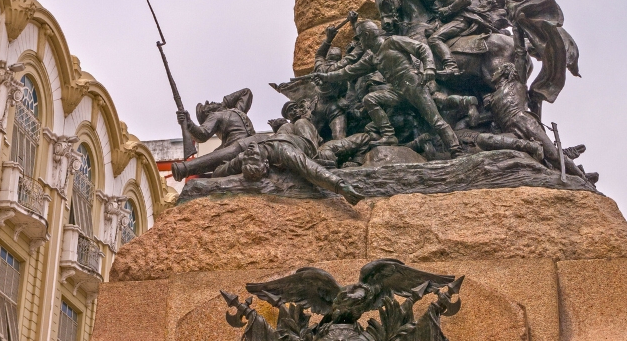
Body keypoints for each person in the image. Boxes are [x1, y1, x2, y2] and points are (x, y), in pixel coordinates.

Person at [318, 20, 462, 155]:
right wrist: (326, 76)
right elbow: (348, 71)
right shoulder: (373, 58)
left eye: (360, 38)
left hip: (413, 85)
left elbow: (421, 48)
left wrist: (429, 67)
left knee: (435, 119)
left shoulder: (392, 41)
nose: (360, 42)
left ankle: (455, 148)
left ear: (367, 35)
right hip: (397, 91)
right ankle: (388, 136)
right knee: (370, 99)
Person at [214, 102, 362, 205]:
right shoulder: (282, 152)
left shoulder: (245, 157)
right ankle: (316, 153)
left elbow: (218, 172)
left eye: (247, 156)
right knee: (301, 122)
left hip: (288, 137)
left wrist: (230, 165)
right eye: (254, 156)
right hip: (310, 149)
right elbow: (310, 168)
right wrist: (341, 186)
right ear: (265, 163)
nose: (250, 152)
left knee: (285, 126)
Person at [171, 88, 256, 181]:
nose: (210, 102)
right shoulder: (215, 115)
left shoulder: (237, 110)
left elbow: (246, 92)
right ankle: (183, 169)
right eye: (207, 105)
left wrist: (225, 103)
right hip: (237, 147)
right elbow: (202, 135)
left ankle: (183, 169)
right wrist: (189, 123)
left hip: (252, 143)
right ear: (208, 113)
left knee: (217, 156)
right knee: (215, 156)